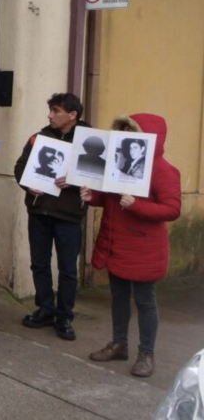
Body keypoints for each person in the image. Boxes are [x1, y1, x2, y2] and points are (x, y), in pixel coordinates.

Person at [81, 114, 180, 378]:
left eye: (132, 133)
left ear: (148, 138)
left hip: (144, 249)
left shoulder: (163, 170)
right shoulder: (120, 161)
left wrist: (137, 206)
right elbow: (113, 197)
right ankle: (119, 344)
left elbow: (172, 209)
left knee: (146, 302)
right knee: (119, 298)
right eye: (123, 131)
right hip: (117, 242)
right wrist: (93, 197)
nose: (127, 138)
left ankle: (146, 354)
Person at [13, 92, 90, 341]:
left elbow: (99, 178)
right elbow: (20, 167)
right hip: (40, 211)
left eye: (56, 111)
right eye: (50, 110)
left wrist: (76, 180)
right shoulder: (39, 137)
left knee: (68, 270)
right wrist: (28, 184)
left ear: (73, 115)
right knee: (39, 263)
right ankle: (46, 308)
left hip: (69, 216)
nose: (50, 115)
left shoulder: (90, 141)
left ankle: (65, 316)